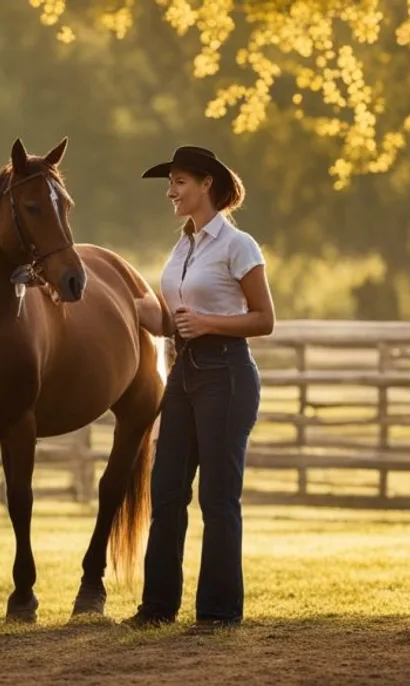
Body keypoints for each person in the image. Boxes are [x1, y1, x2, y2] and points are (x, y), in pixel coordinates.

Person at [123, 146, 275, 633]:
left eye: (180, 181)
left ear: (207, 184)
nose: (170, 190)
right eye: (170, 182)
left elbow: (264, 320)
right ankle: (158, 607)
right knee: (166, 490)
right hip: (184, 376)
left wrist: (206, 322)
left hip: (226, 376)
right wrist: (136, 310)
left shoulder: (238, 245)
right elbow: (176, 320)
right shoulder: (183, 246)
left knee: (217, 497)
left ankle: (218, 611)